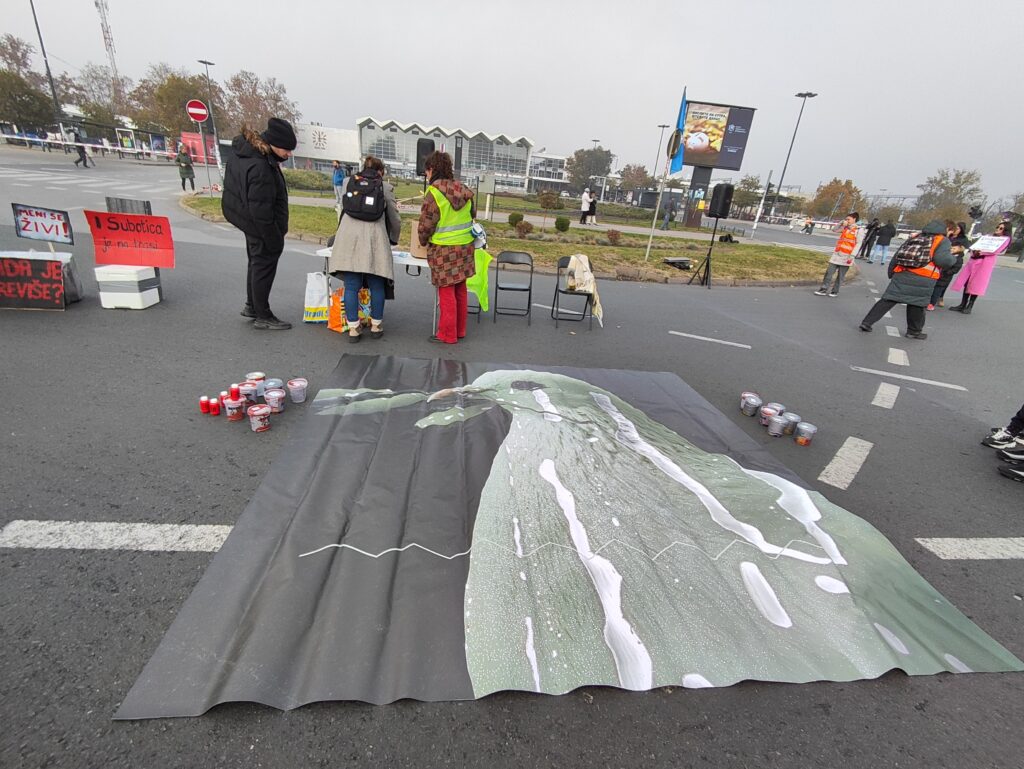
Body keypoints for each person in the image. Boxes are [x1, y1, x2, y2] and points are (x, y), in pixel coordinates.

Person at [221, 117, 297, 330]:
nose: (288, 154)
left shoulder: (247, 152)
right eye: (286, 150)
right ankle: (262, 314)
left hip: (245, 219)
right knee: (263, 265)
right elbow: (261, 210)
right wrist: (274, 237)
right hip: (259, 225)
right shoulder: (261, 166)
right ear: (273, 143)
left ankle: (252, 306)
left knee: (255, 264)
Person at [328, 155, 401, 343]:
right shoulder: (384, 187)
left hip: (349, 239)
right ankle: (376, 326)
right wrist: (393, 238)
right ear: (380, 171)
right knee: (377, 284)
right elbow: (394, 217)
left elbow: (342, 209)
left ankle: (353, 328)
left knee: (351, 286)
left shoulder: (347, 182)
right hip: (374, 239)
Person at [417, 150, 476, 345]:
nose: (426, 175)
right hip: (466, 248)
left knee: (446, 291)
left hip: (443, 251)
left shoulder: (434, 192)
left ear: (432, 169)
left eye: (427, 171)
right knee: (460, 288)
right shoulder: (465, 190)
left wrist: (422, 241)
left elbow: (427, 224)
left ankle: (447, 335)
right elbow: (472, 214)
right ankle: (460, 331)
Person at [858, 219, 952, 340]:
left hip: (902, 274)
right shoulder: (942, 240)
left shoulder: (916, 237)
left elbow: (898, 254)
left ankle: (867, 322)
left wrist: (891, 272)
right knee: (917, 305)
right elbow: (942, 260)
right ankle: (914, 331)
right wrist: (952, 259)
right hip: (923, 278)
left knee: (887, 300)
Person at [949, 221, 1013, 315]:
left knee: (976, 284)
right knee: (967, 282)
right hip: (974, 259)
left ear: (1006, 230)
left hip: (984, 262)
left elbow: (995, 250)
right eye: (998, 227)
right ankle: (962, 304)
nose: (998, 229)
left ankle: (970, 306)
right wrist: (974, 251)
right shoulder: (989, 237)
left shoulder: (1004, 239)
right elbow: (977, 245)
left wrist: (981, 252)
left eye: (1001, 228)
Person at [814, 212, 859, 296]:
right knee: (829, 272)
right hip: (837, 254)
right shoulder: (845, 228)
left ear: (854, 219)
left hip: (847, 256)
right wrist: (841, 223)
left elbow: (858, 244)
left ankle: (835, 291)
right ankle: (824, 289)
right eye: (846, 219)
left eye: (848, 219)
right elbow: (834, 230)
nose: (847, 221)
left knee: (840, 275)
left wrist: (852, 256)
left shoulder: (858, 230)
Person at [928, 220, 968, 309]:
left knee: (940, 287)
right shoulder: (947, 236)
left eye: (957, 229)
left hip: (946, 272)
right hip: (941, 263)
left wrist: (948, 272)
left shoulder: (962, 240)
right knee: (933, 286)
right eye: (954, 228)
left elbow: (956, 266)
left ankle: (938, 299)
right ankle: (929, 300)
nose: (955, 230)